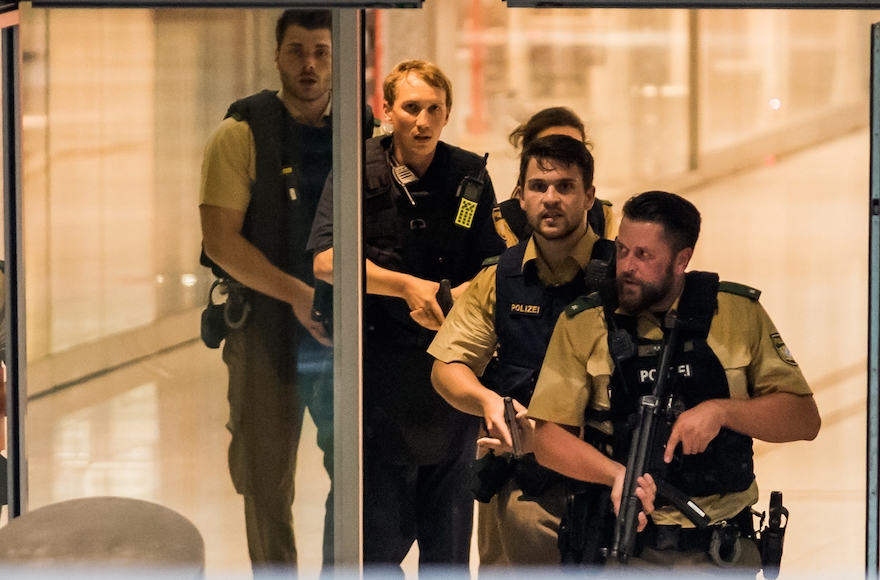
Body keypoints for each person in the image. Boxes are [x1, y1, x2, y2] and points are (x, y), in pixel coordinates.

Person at [528, 190, 821, 572]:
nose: (626, 267)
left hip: (720, 551)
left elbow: (804, 419)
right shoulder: (584, 323)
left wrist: (722, 411)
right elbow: (547, 438)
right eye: (622, 250)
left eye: (644, 255)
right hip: (622, 549)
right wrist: (616, 475)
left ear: (682, 260)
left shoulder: (736, 314)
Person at [309, 59, 505, 573]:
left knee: (448, 550)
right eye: (410, 108)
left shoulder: (469, 176)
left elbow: (494, 262)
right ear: (386, 111)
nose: (422, 121)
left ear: (448, 113)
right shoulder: (355, 168)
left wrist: (461, 295)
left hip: (450, 380)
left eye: (433, 109)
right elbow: (326, 260)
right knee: (370, 547)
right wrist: (404, 288)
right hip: (376, 382)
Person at [428, 135, 654, 567]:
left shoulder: (626, 277)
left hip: (613, 482)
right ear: (519, 196)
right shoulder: (500, 277)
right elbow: (447, 366)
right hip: (527, 484)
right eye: (538, 186)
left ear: (590, 196)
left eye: (566, 187)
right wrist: (489, 401)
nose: (551, 199)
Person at [199, 9, 361, 570]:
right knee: (265, 482)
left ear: (337, 57)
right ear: (276, 56)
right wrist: (297, 294)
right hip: (267, 334)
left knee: (357, 475)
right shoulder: (241, 133)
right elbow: (219, 240)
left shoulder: (362, 135)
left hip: (344, 341)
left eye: (321, 51)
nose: (310, 64)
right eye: (296, 51)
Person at [495, 107, 615, 248]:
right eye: (548, 148)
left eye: (572, 149)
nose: (550, 199)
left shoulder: (602, 215)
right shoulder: (504, 221)